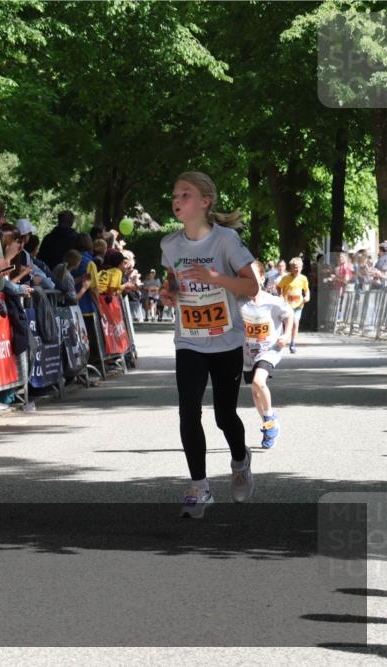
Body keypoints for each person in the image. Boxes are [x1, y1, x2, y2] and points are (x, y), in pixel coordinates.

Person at [159, 171, 258, 519]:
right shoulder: (169, 245)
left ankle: (240, 460)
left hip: (226, 340)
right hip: (189, 340)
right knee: (188, 410)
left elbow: (252, 287)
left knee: (224, 415)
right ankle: (199, 487)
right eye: (174, 194)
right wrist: (167, 292)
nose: (176, 200)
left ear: (205, 201)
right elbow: (171, 281)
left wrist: (217, 279)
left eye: (185, 194)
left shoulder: (226, 240)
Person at [240, 261, 293, 449]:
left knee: (258, 382)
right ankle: (269, 424)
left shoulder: (273, 301)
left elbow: (289, 315)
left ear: (262, 278)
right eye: (246, 277)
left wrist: (286, 335)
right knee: (255, 394)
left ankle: (269, 419)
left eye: (254, 276)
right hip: (247, 353)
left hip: (270, 349)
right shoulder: (239, 302)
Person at [277, 257, 309, 353]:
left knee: (295, 323)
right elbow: (278, 287)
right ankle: (283, 339)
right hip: (287, 305)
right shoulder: (286, 278)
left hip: (298, 305)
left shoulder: (303, 278)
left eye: (298, 267)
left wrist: (307, 296)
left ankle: (293, 343)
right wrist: (280, 296)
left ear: (301, 267)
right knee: (286, 324)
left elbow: (306, 290)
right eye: (294, 267)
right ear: (291, 268)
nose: (296, 269)